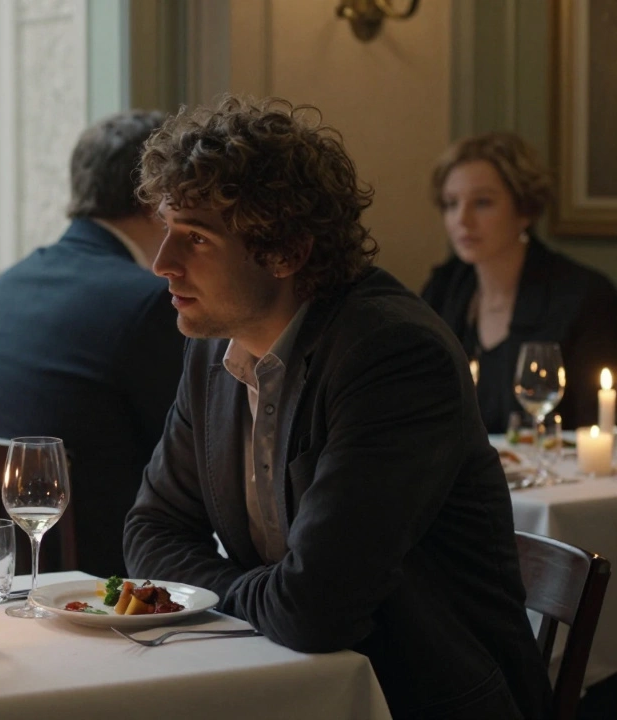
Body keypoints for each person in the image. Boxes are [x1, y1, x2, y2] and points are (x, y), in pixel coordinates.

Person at [123, 97, 551, 719]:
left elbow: (313, 609)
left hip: (416, 698)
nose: (162, 264)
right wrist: (261, 596)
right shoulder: (213, 348)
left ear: (286, 252)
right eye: (164, 229)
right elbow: (149, 530)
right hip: (282, 679)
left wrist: (215, 593)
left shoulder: (392, 355)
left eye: (195, 238)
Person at [0, 110, 183, 578]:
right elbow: (191, 461)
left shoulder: (7, 286)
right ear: (155, 196)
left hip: (10, 574)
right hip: (112, 578)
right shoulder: (148, 302)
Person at [421, 131, 617, 433]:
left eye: (482, 202)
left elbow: (594, 425)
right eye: (450, 204)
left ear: (525, 209)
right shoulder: (443, 289)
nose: (462, 219)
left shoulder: (584, 296)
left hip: (559, 474)